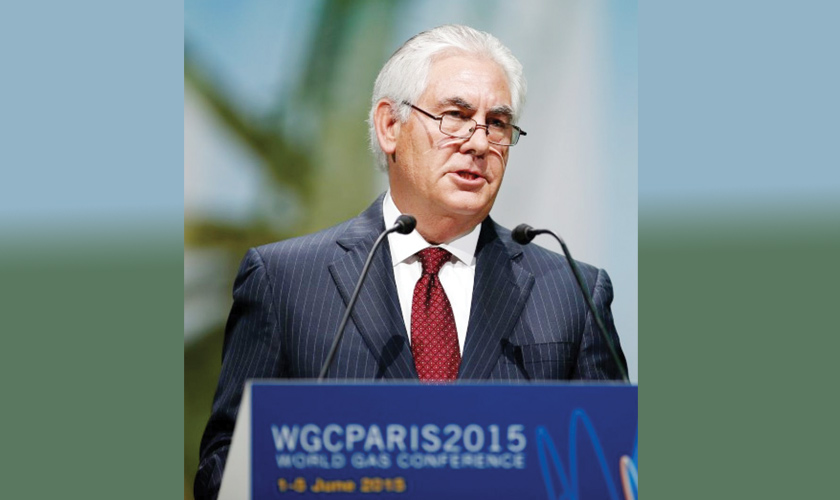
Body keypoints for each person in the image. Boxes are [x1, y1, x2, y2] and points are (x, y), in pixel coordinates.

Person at [194, 24, 627, 500]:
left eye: (498, 124)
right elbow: (221, 469)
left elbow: (615, 466)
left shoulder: (571, 292)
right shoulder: (285, 281)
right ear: (389, 126)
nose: (479, 143)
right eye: (455, 116)